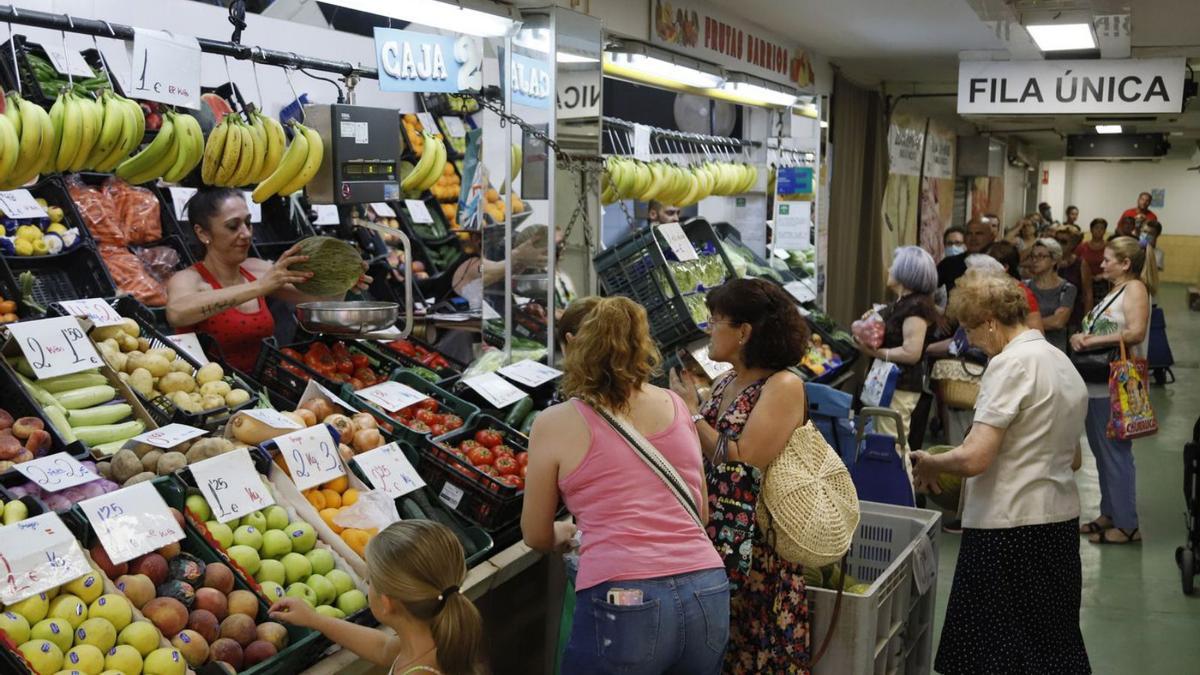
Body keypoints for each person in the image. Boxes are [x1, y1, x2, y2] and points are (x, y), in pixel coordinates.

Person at [522, 296, 729, 674]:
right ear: (644, 347)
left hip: (624, 598)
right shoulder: (676, 404)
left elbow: (535, 535)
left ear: (576, 345)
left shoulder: (553, 423)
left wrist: (568, 531)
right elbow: (700, 512)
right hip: (707, 588)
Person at [911, 268, 1089, 675]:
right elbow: (1074, 459)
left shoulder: (1010, 365)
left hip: (1007, 530)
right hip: (1057, 525)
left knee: (991, 653)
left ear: (990, 322)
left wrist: (932, 461)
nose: (970, 340)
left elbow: (975, 458)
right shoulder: (1059, 362)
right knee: (1051, 644)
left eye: (971, 329)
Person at [669, 278, 811, 673]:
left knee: (754, 652)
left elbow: (742, 462)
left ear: (744, 331)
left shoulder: (783, 385)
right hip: (716, 539)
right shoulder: (726, 380)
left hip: (756, 552)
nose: (709, 329)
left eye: (715, 320)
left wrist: (690, 412)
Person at [165, 188, 368, 373]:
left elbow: (321, 300)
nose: (246, 234)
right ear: (203, 233)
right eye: (233, 226)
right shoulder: (190, 279)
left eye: (248, 223)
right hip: (211, 395)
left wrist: (346, 282)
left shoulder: (255, 269)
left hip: (262, 388)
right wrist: (259, 287)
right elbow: (177, 313)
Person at [269, 520, 485, 675]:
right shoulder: (432, 636)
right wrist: (315, 620)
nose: (366, 585)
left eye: (370, 580)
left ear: (386, 602)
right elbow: (382, 648)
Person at [1070, 236, 1156, 545]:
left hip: (1113, 388)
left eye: (1107, 260)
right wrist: (1082, 335)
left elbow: (1135, 331)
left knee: (1117, 456)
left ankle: (1127, 525)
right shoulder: (1114, 291)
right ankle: (1109, 513)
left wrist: (1090, 342)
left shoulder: (1135, 289)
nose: (1101, 264)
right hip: (1095, 387)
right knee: (1102, 453)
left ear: (1125, 264)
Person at [857, 247, 947, 452]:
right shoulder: (902, 303)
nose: (889, 269)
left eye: (894, 266)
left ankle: (902, 484)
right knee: (884, 441)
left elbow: (911, 352)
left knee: (893, 446)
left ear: (906, 273)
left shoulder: (916, 306)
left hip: (899, 386)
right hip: (888, 384)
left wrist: (877, 353)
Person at [1025, 238, 1077, 352]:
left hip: (1054, 349)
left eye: (1041, 256)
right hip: (1027, 347)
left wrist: (1024, 324)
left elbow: (1058, 322)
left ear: (1054, 260)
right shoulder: (1025, 286)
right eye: (1033, 256)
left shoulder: (1067, 289)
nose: (1035, 260)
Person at [986, 241, 1044, 332]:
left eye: (988, 265)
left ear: (1005, 267)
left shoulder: (1024, 295)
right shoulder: (982, 289)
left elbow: (1037, 333)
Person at [938, 218, 994, 292]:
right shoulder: (949, 263)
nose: (973, 238)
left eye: (979, 233)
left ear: (989, 237)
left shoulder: (997, 263)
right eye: (969, 233)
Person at [1054, 225, 1093, 330]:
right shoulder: (1048, 261)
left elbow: (1088, 295)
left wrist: (1087, 324)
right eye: (1056, 240)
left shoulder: (1081, 264)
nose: (1058, 244)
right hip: (1051, 314)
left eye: (1063, 241)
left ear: (1073, 244)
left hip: (1074, 316)